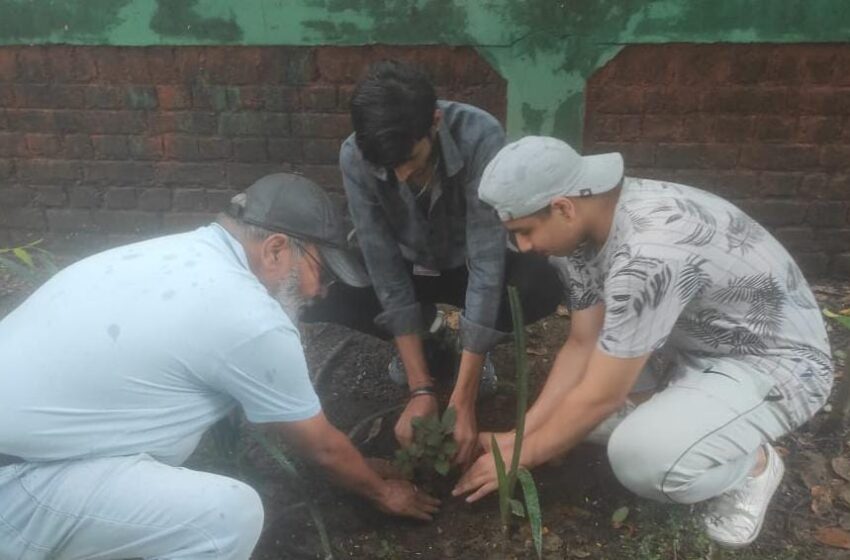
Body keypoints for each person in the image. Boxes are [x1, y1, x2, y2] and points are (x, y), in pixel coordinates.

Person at [0, 173, 439, 560]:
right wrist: (382, 492)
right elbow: (320, 446)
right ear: (276, 249)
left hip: (27, 451)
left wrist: (358, 463)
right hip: (18, 485)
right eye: (322, 272)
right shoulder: (249, 316)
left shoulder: (174, 253)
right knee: (228, 516)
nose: (323, 290)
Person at [454, 136, 833, 549]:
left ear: (562, 207)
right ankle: (683, 415)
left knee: (640, 458)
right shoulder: (584, 227)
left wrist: (525, 454)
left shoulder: (647, 252)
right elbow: (583, 342)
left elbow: (601, 395)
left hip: (774, 363)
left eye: (524, 231)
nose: (523, 247)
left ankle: (754, 466)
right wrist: (524, 435)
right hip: (685, 343)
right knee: (572, 419)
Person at [302, 61, 563, 468]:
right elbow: (382, 263)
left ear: (435, 122)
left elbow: (487, 260)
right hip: (409, 264)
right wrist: (421, 389)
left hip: (465, 264)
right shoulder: (355, 154)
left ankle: (472, 353)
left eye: (411, 158)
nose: (402, 175)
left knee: (539, 283)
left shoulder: (481, 136)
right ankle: (427, 338)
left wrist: (462, 400)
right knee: (323, 291)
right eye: (388, 168)